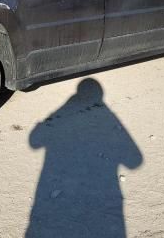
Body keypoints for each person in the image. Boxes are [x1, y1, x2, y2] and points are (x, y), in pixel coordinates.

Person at [27, 78, 143, 238]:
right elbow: (135, 160)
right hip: (105, 209)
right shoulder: (109, 117)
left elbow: (34, 141)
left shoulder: (62, 112)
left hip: (53, 203)